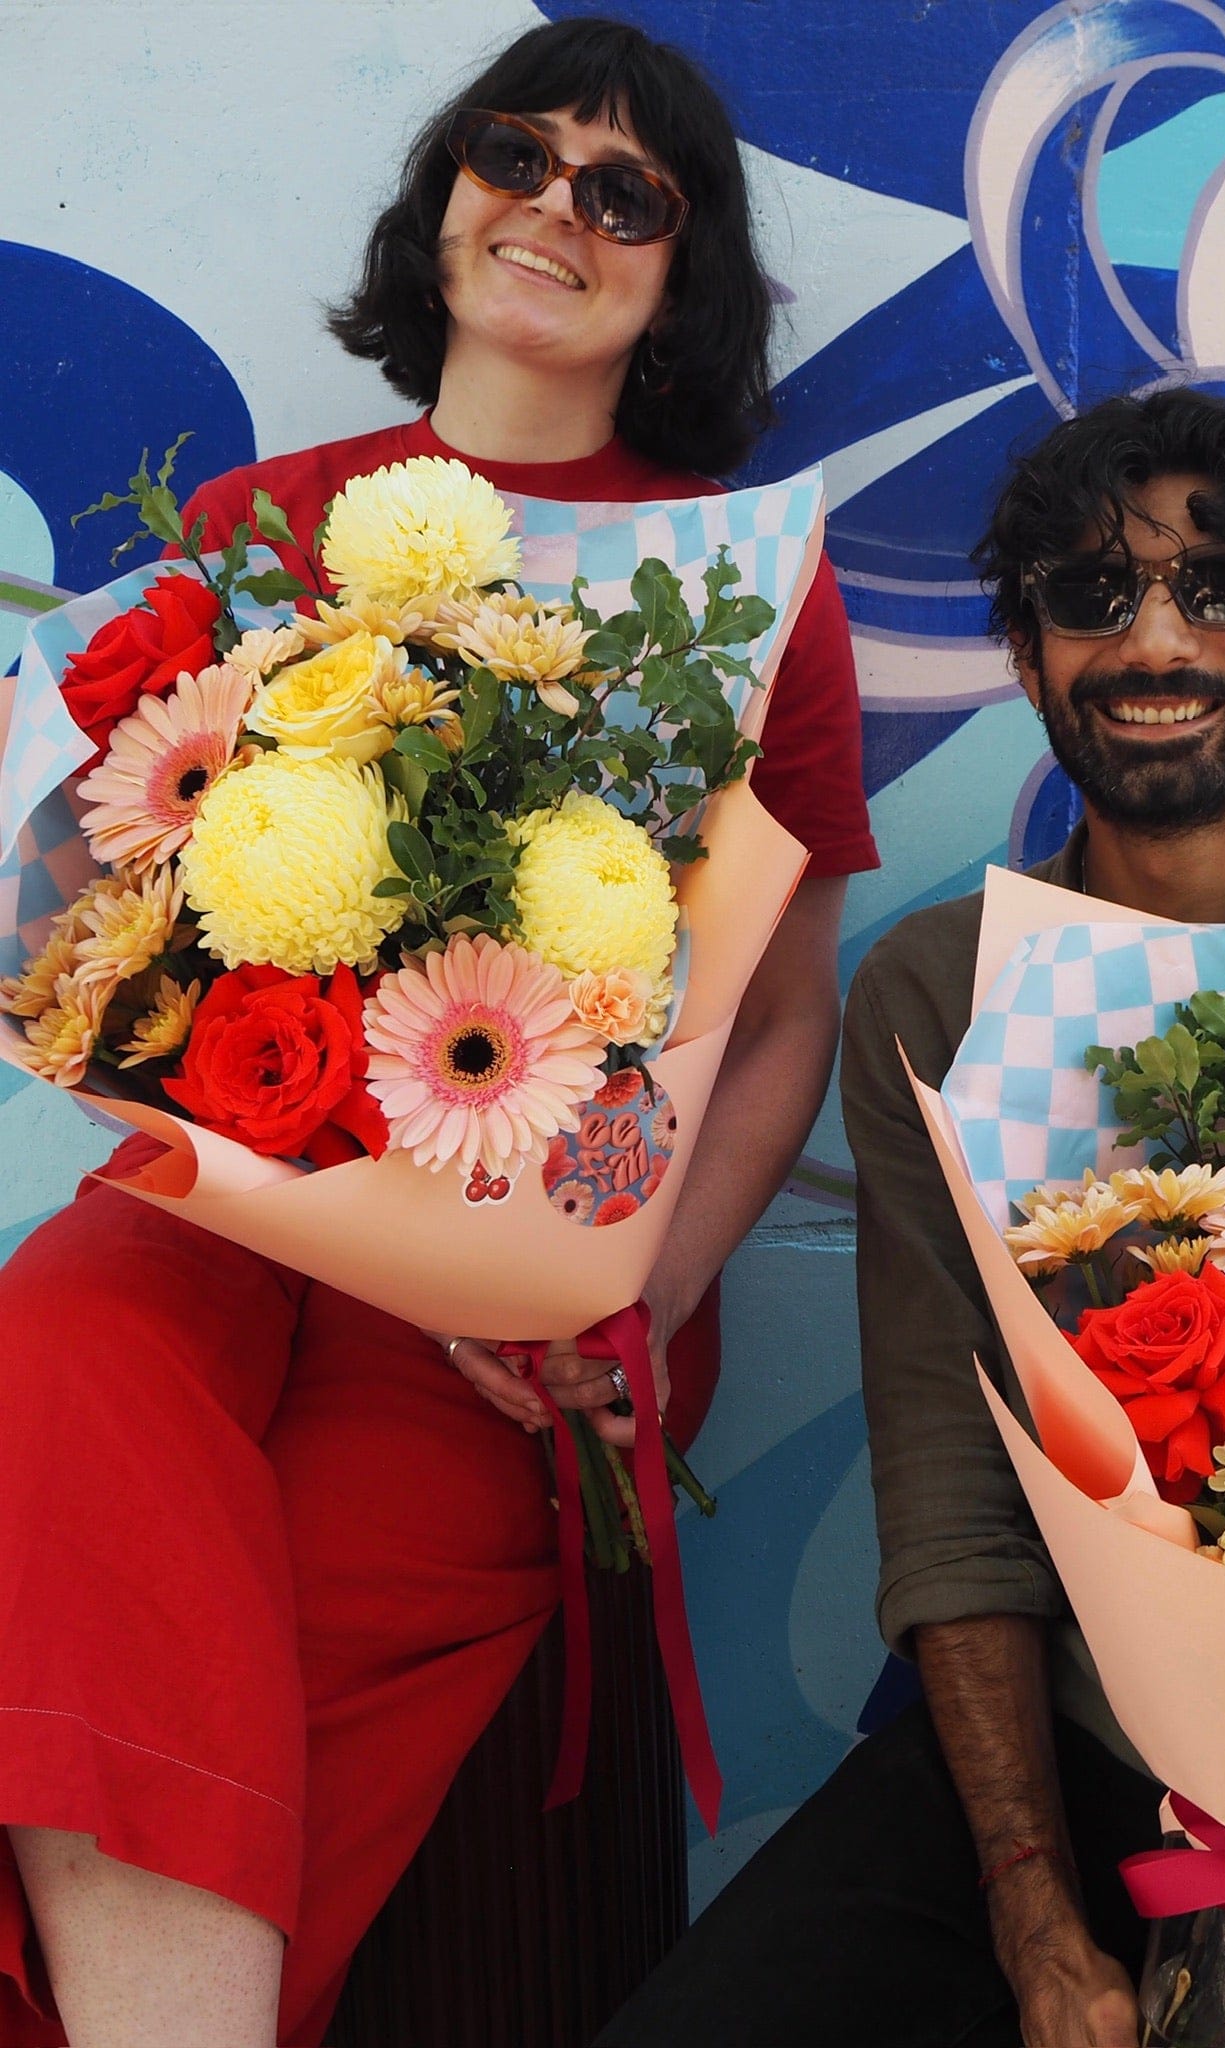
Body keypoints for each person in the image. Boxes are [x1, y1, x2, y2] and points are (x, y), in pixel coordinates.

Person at [0, 18, 875, 2048]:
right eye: (517, 150)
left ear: (683, 271)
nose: (556, 206)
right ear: (447, 190)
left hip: (539, 1277)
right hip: (239, 1194)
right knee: (51, 1335)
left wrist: (637, 1299)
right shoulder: (262, 521)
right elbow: (121, 916)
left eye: (626, 189)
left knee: (331, 1606)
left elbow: (784, 1014)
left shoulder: (751, 586)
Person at [595, 386, 1225, 2048]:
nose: (1156, 638)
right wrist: (1037, 1931)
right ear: (1027, 661)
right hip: (1083, 1745)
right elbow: (953, 1494)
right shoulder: (938, 999)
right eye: (1091, 597)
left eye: (1219, 590)